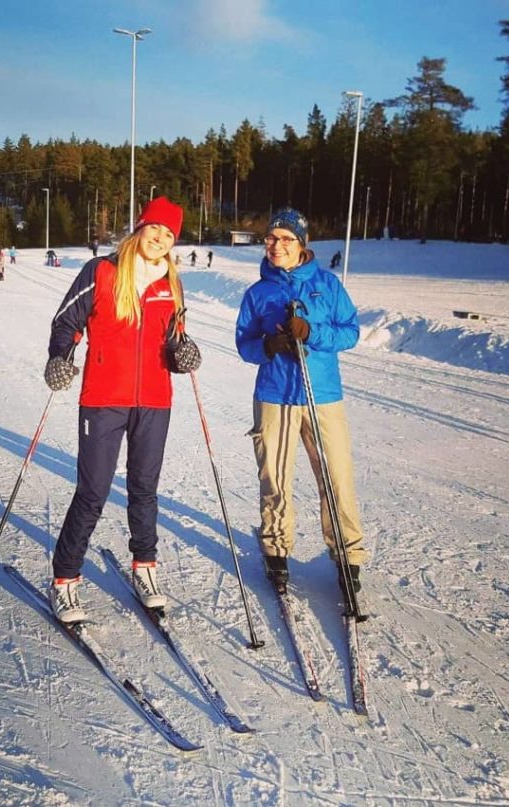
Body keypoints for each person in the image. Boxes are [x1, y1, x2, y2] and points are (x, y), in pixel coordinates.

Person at [43, 196, 202, 623]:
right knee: (93, 491)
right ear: (139, 227)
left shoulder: (171, 282)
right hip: (103, 398)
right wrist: (60, 358)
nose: (160, 238)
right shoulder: (102, 271)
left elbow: (174, 338)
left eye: (169, 234)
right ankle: (65, 578)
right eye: (155, 228)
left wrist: (183, 354)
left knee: (144, 488)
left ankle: (145, 566)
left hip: (154, 400)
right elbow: (66, 323)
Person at [235, 207, 367, 599]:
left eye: (286, 239)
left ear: (302, 244)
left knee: (335, 476)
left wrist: (311, 331)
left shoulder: (326, 285)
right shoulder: (258, 293)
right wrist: (269, 345)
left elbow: (352, 332)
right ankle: (276, 550)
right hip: (275, 394)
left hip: (322, 395)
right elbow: (244, 345)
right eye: (271, 238)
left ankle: (348, 557)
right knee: (275, 477)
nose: (276, 246)